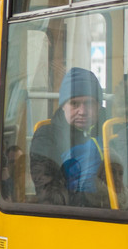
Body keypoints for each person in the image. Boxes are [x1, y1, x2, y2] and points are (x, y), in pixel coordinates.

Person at [29, 67, 106, 205]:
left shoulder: (114, 130)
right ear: (63, 105)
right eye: (74, 104)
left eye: (88, 103)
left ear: (99, 106)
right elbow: (49, 192)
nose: (82, 111)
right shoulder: (47, 137)